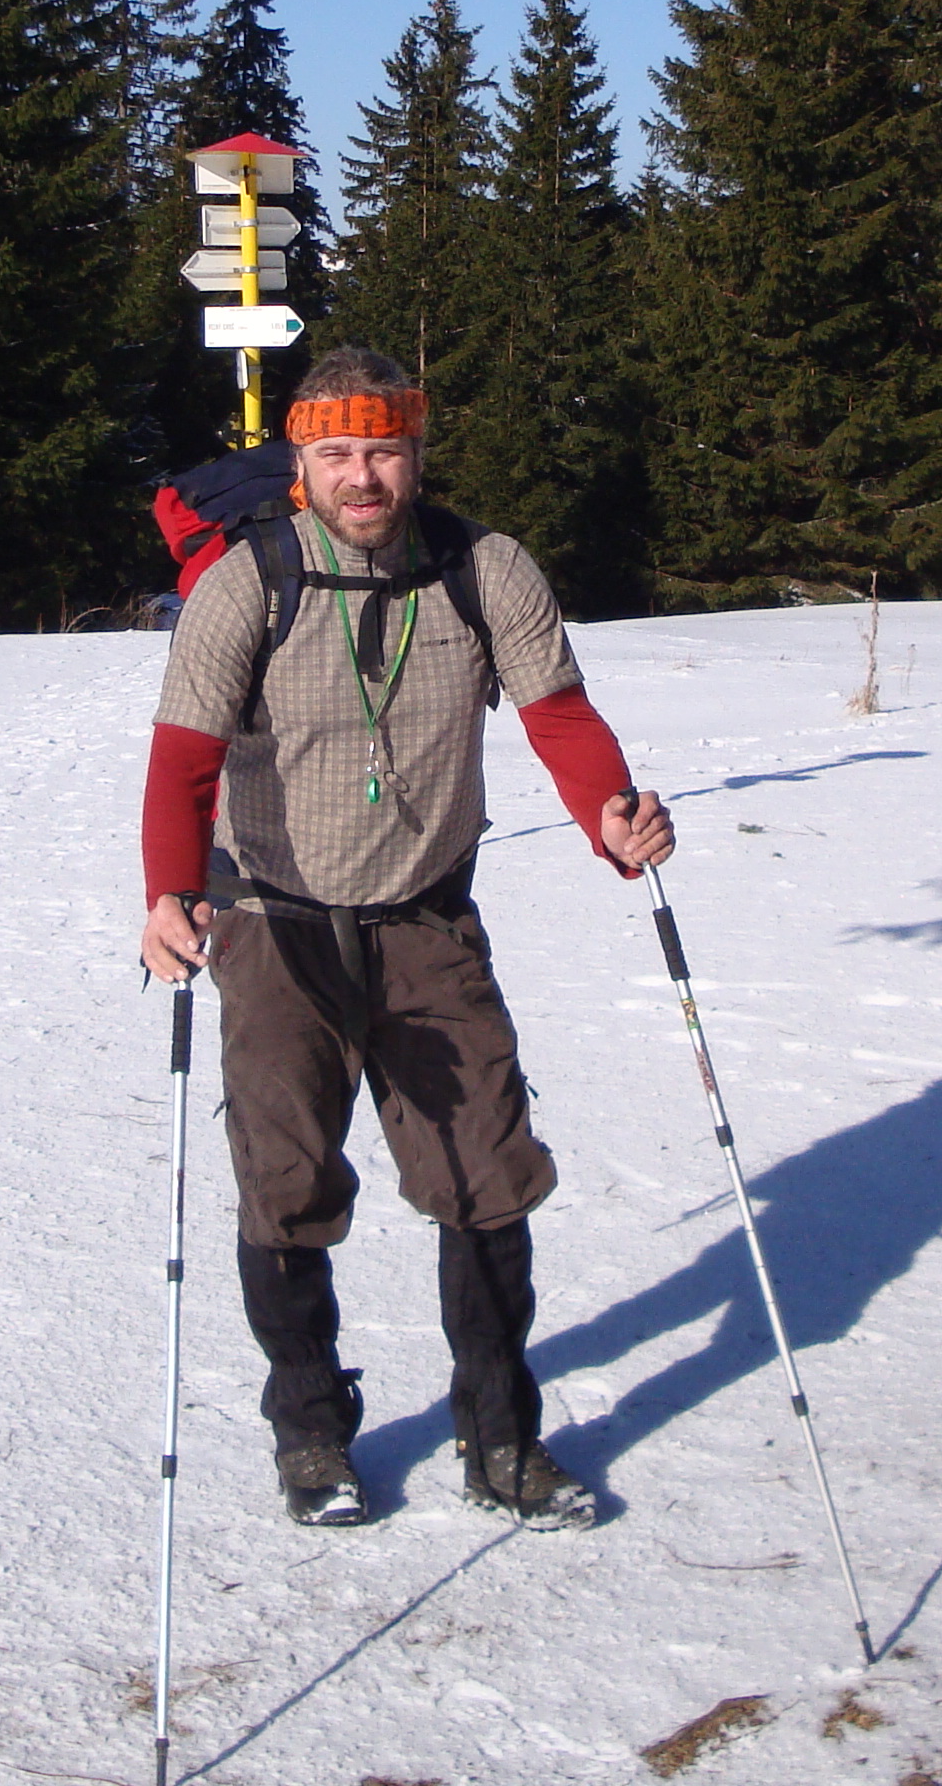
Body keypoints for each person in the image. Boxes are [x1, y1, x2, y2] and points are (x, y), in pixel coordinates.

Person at [137, 346, 675, 1530]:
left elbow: (558, 715)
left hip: (428, 916)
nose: (362, 475)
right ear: (301, 463)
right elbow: (182, 760)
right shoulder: (247, 583)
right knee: (285, 1186)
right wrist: (170, 892)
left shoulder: (485, 569)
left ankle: (502, 1437)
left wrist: (609, 811)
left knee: (487, 1176)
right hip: (272, 921)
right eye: (336, 452)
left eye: (383, 450)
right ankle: (311, 1429)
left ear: (417, 454)